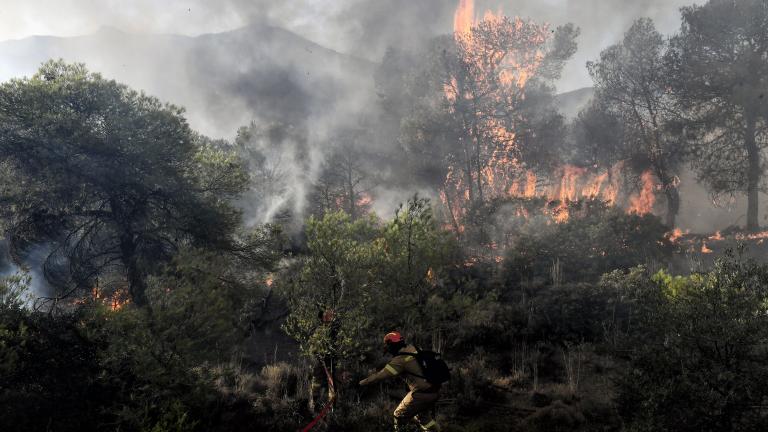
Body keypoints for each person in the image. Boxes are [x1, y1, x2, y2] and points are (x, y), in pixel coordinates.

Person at [359, 331, 441, 431]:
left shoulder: (400, 360)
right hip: (434, 389)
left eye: (388, 346)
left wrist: (361, 383)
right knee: (423, 417)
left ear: (391, 345)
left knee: (398, 415)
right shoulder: (413, 348)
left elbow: (379, 376)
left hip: (421, 394)